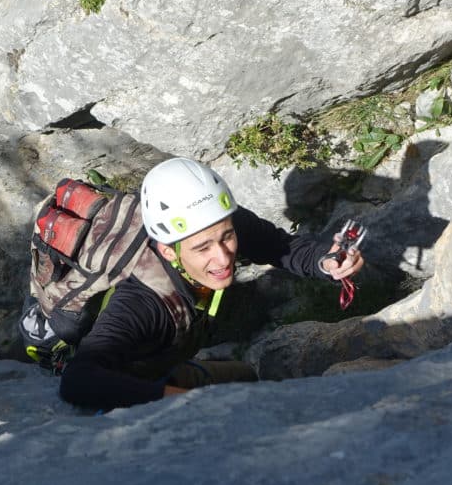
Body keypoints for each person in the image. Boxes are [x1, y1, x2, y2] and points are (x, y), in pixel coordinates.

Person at [58, 157, 366, 410]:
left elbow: (278, 246)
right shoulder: (141, 301)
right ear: (168, 250)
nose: (223, 258)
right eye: (202, 248)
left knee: (246, 377)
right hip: (131, 385)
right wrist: (185, 402)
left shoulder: (214, 222)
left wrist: (324, 263)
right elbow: (79, 380)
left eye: (227, 237)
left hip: (165, 361)